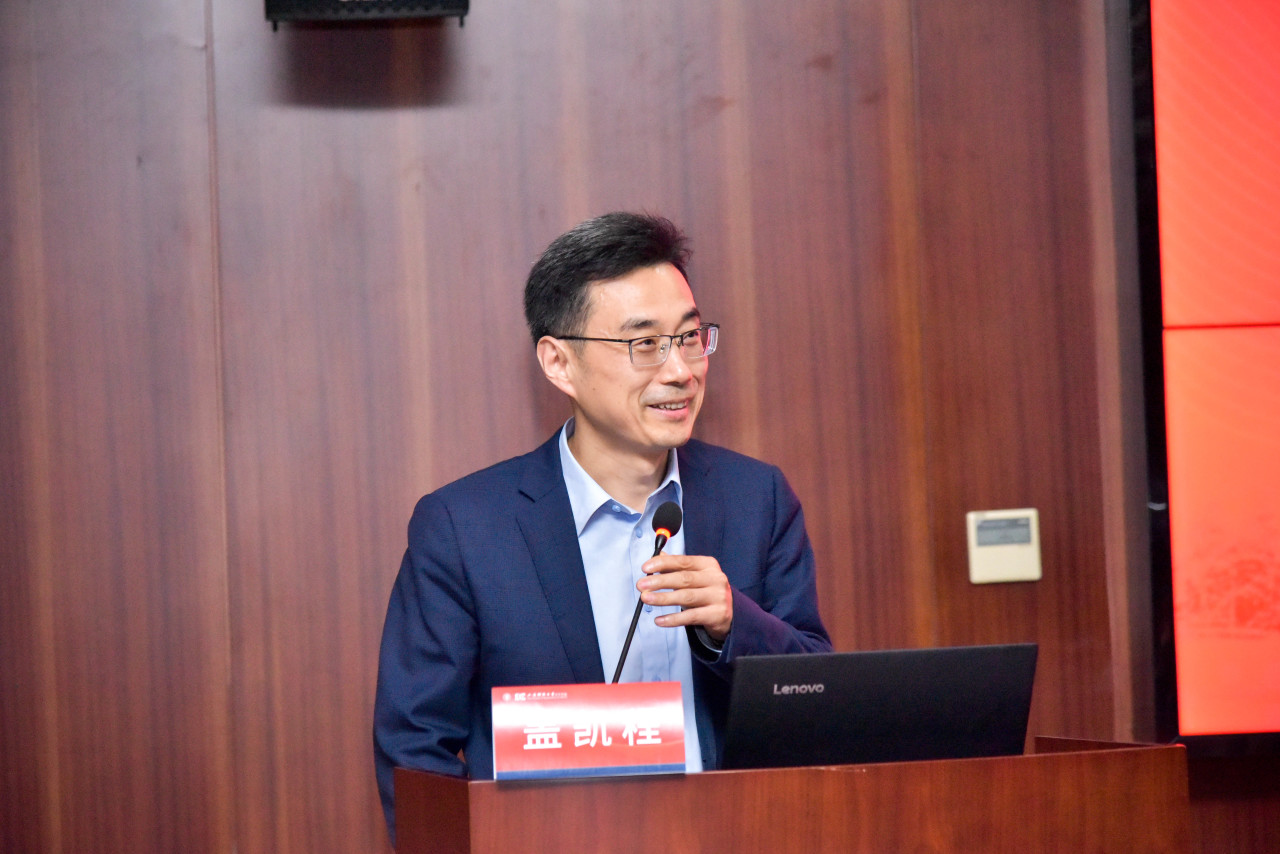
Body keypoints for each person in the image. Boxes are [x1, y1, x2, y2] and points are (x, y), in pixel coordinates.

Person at [373, 212, 831, 836]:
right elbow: (414, 747)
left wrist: (735, 624)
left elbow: (818, 702)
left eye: (689, 337)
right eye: (644, 344)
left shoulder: (757, 498)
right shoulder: (464, 528)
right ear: (559, 362)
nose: (680, 370)